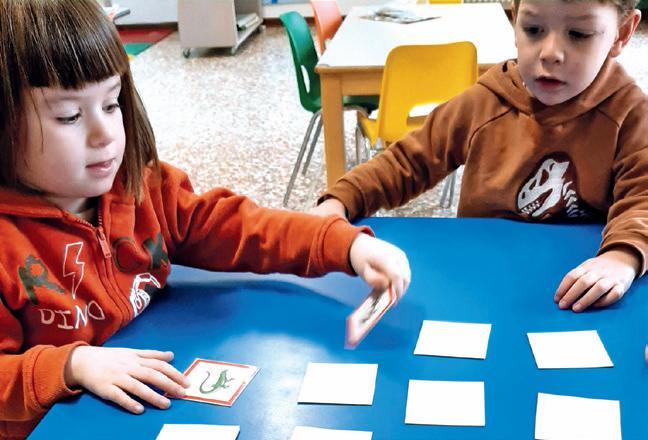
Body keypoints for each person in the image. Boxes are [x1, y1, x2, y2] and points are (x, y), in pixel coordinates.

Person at [0, 1, 411, 437]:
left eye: (112, 103)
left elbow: (242, 227)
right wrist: (72, 364)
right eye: (69, 116)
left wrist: (346, 244)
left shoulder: (146, 188)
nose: (104, 135)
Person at [312, 0, 647, 313]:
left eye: (578, 34)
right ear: (514, 19)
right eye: (533, 29)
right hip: (481, 285)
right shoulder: (485, 102)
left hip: (579, 293)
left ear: (621, 33)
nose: (550, 53)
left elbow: (643, 198)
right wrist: (341, 199)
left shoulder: (631, 114)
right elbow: (408, 161)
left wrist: (623, 256)